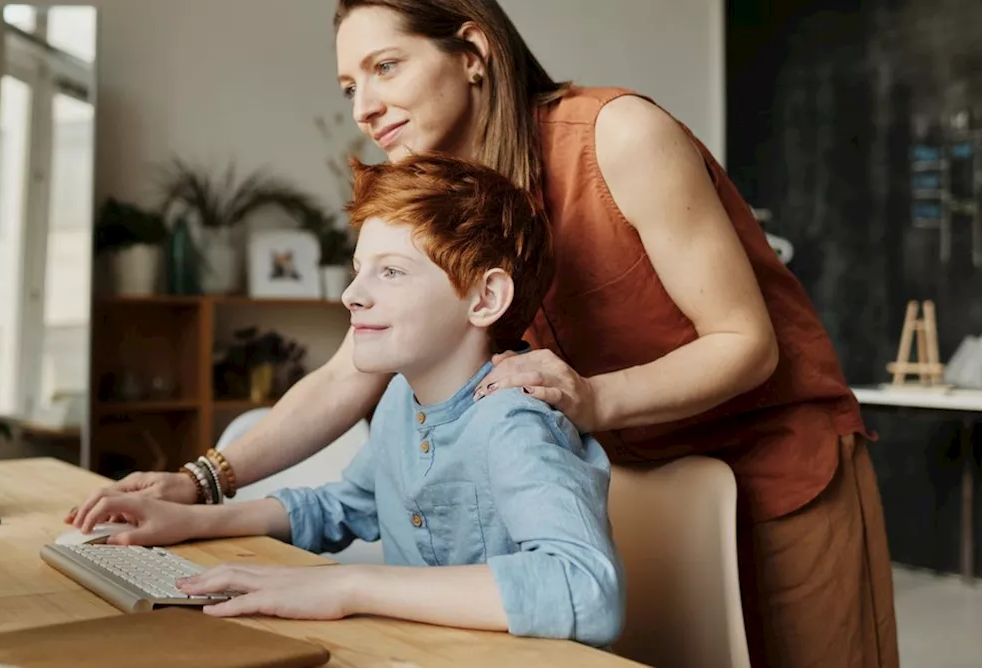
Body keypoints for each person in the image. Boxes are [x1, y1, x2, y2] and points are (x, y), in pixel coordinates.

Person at [71, 1, 898, 666]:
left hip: (777, 461)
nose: (364, 105)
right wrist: (201, 481)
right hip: (629, 469)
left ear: (473, 50)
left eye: (386, 66)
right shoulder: (433, 190)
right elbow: (348, 373)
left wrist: (591, 398)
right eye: (348, 85)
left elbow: (744, 342)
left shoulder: (617, 135)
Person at [71, 154, 625, 644]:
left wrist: (348, 585)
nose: (352, 294)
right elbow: (345, 506)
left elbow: (586, 588)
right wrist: (190, 519)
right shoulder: (399, 403)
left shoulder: (515, 420)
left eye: (390, 272)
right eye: (360, 269)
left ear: (484, 298)